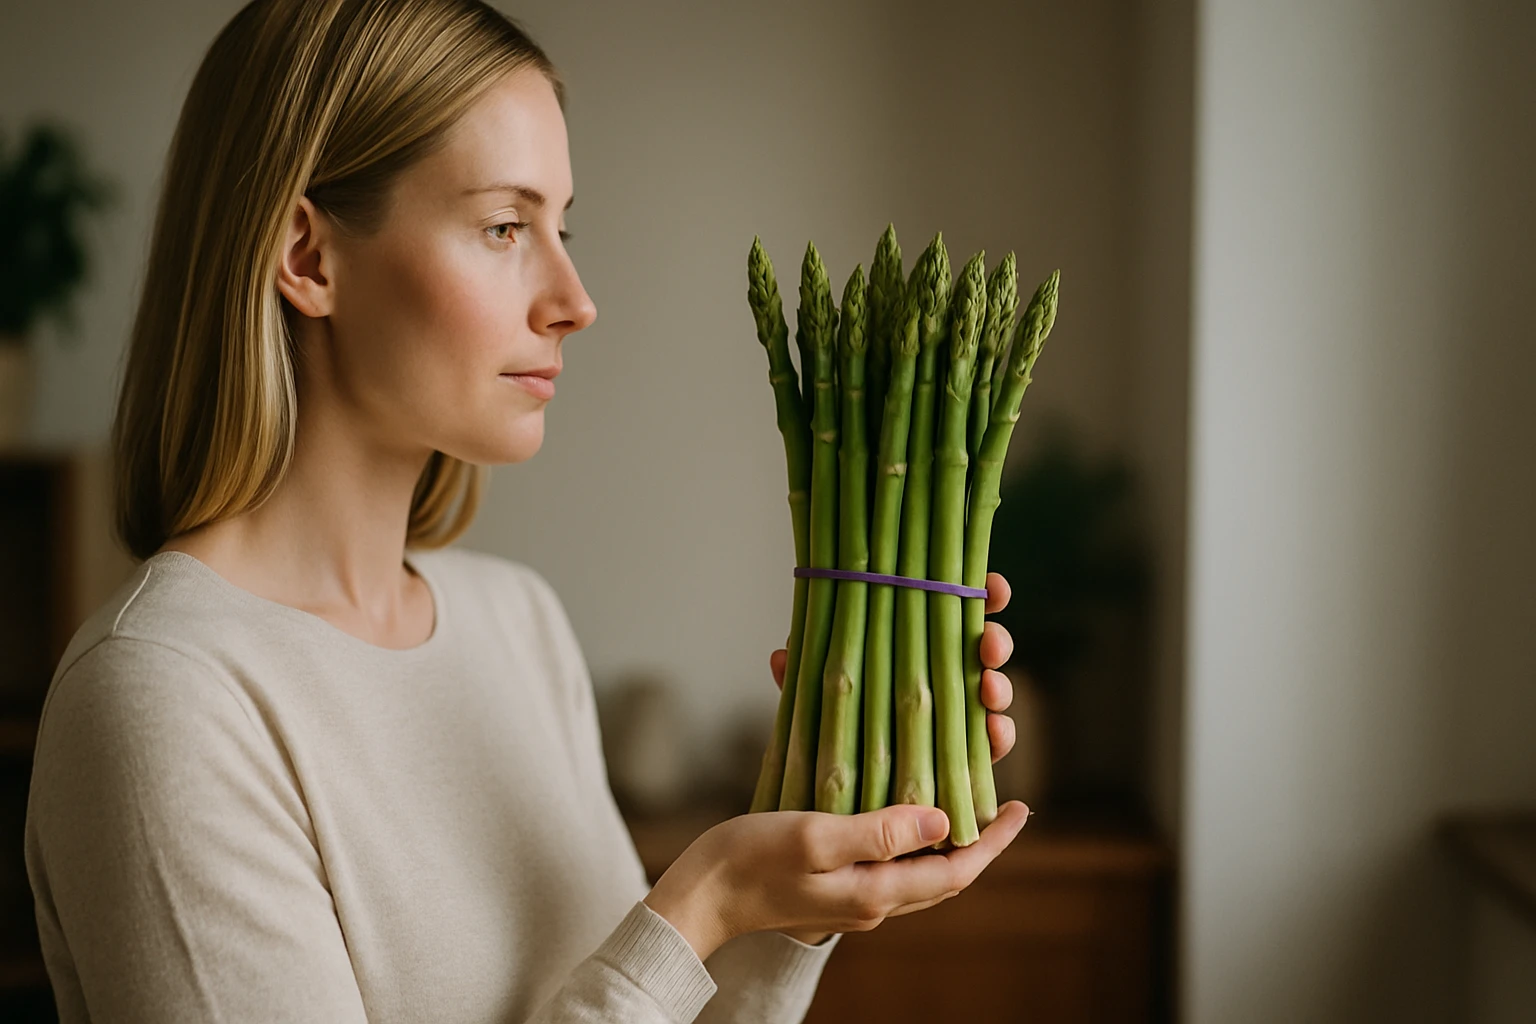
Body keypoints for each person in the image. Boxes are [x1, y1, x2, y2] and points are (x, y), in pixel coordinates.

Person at [22, 1, 1031, 1021]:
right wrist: (700, 903)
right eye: (506, 226)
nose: (575, 296)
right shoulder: (164, 696)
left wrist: (787, 897)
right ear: (308, 259)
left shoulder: (517, 623)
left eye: (562, 225)